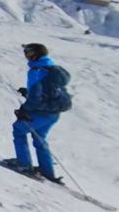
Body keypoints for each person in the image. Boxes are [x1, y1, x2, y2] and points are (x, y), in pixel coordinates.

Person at [5, 42, 72, 183]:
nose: (27, 57)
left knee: (18, 130)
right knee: (39, 138)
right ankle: (46, 171)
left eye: (28, 53)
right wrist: (28, 93)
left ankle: (24, 165)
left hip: (42, 112)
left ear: (35, 55)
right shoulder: (52, 69)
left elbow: (36, 97)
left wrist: (24, 110)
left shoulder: (36, 71)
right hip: (54, 113)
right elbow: (46, 91)